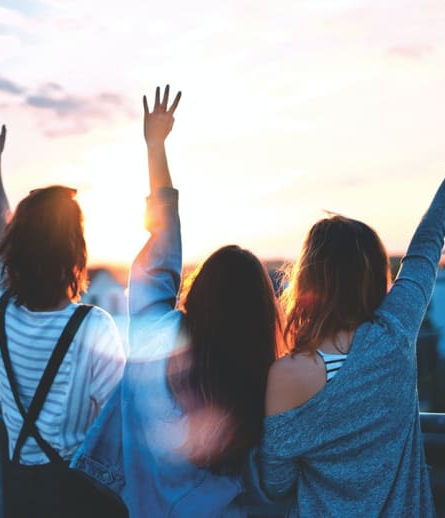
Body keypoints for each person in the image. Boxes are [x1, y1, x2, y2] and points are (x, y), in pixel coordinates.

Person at [259, 86, 445, 517]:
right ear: (372, 275)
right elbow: (431, 235)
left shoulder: (286, 374)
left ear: (309, 277)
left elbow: (276, 487)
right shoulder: (394, 332)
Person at [72, 85, 281, 517]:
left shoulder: (155, 337)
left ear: (200, 289)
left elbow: (162, 244)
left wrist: (155, 146)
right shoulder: (258, 376)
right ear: (259, 312)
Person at [0, 112, 126, 517]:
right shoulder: (94, 327)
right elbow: (117, 422)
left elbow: (0, 229)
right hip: (80, 496)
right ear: (75, 253)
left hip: (18, 491)